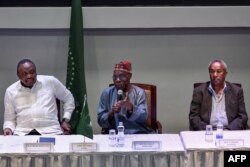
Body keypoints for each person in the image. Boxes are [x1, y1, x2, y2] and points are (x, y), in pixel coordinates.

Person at [3, 59, 75, 136]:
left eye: (32, 72)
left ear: (36, 72)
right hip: (23, 133)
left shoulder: (51, 82)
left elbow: (69, 98)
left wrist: (65, 119)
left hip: (51, 131)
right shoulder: (11, 91)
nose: (29, 76)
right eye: (25, 73)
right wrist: (8, 128)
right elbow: (9, 118)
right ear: (18, 75)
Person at [97, 60, 154, 134]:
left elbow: (143, 118)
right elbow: (100, 121)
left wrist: (131, 108)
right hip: (115, 134)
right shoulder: (107, 93)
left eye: (121, 76)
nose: (117, 80)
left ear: (130, 76)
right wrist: (111, 113)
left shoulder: (139, 93)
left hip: (137, 133)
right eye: (115, 77)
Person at [189, 59, 248, 130]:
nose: (215, 75)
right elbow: (193, 117)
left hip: (230, 130)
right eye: (212, 71)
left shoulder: (236, 91)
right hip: (207, 131)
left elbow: (242, 116)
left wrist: (229, 130)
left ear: (225, 73)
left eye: (219, 71)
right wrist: (208, 129)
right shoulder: (199, 91)